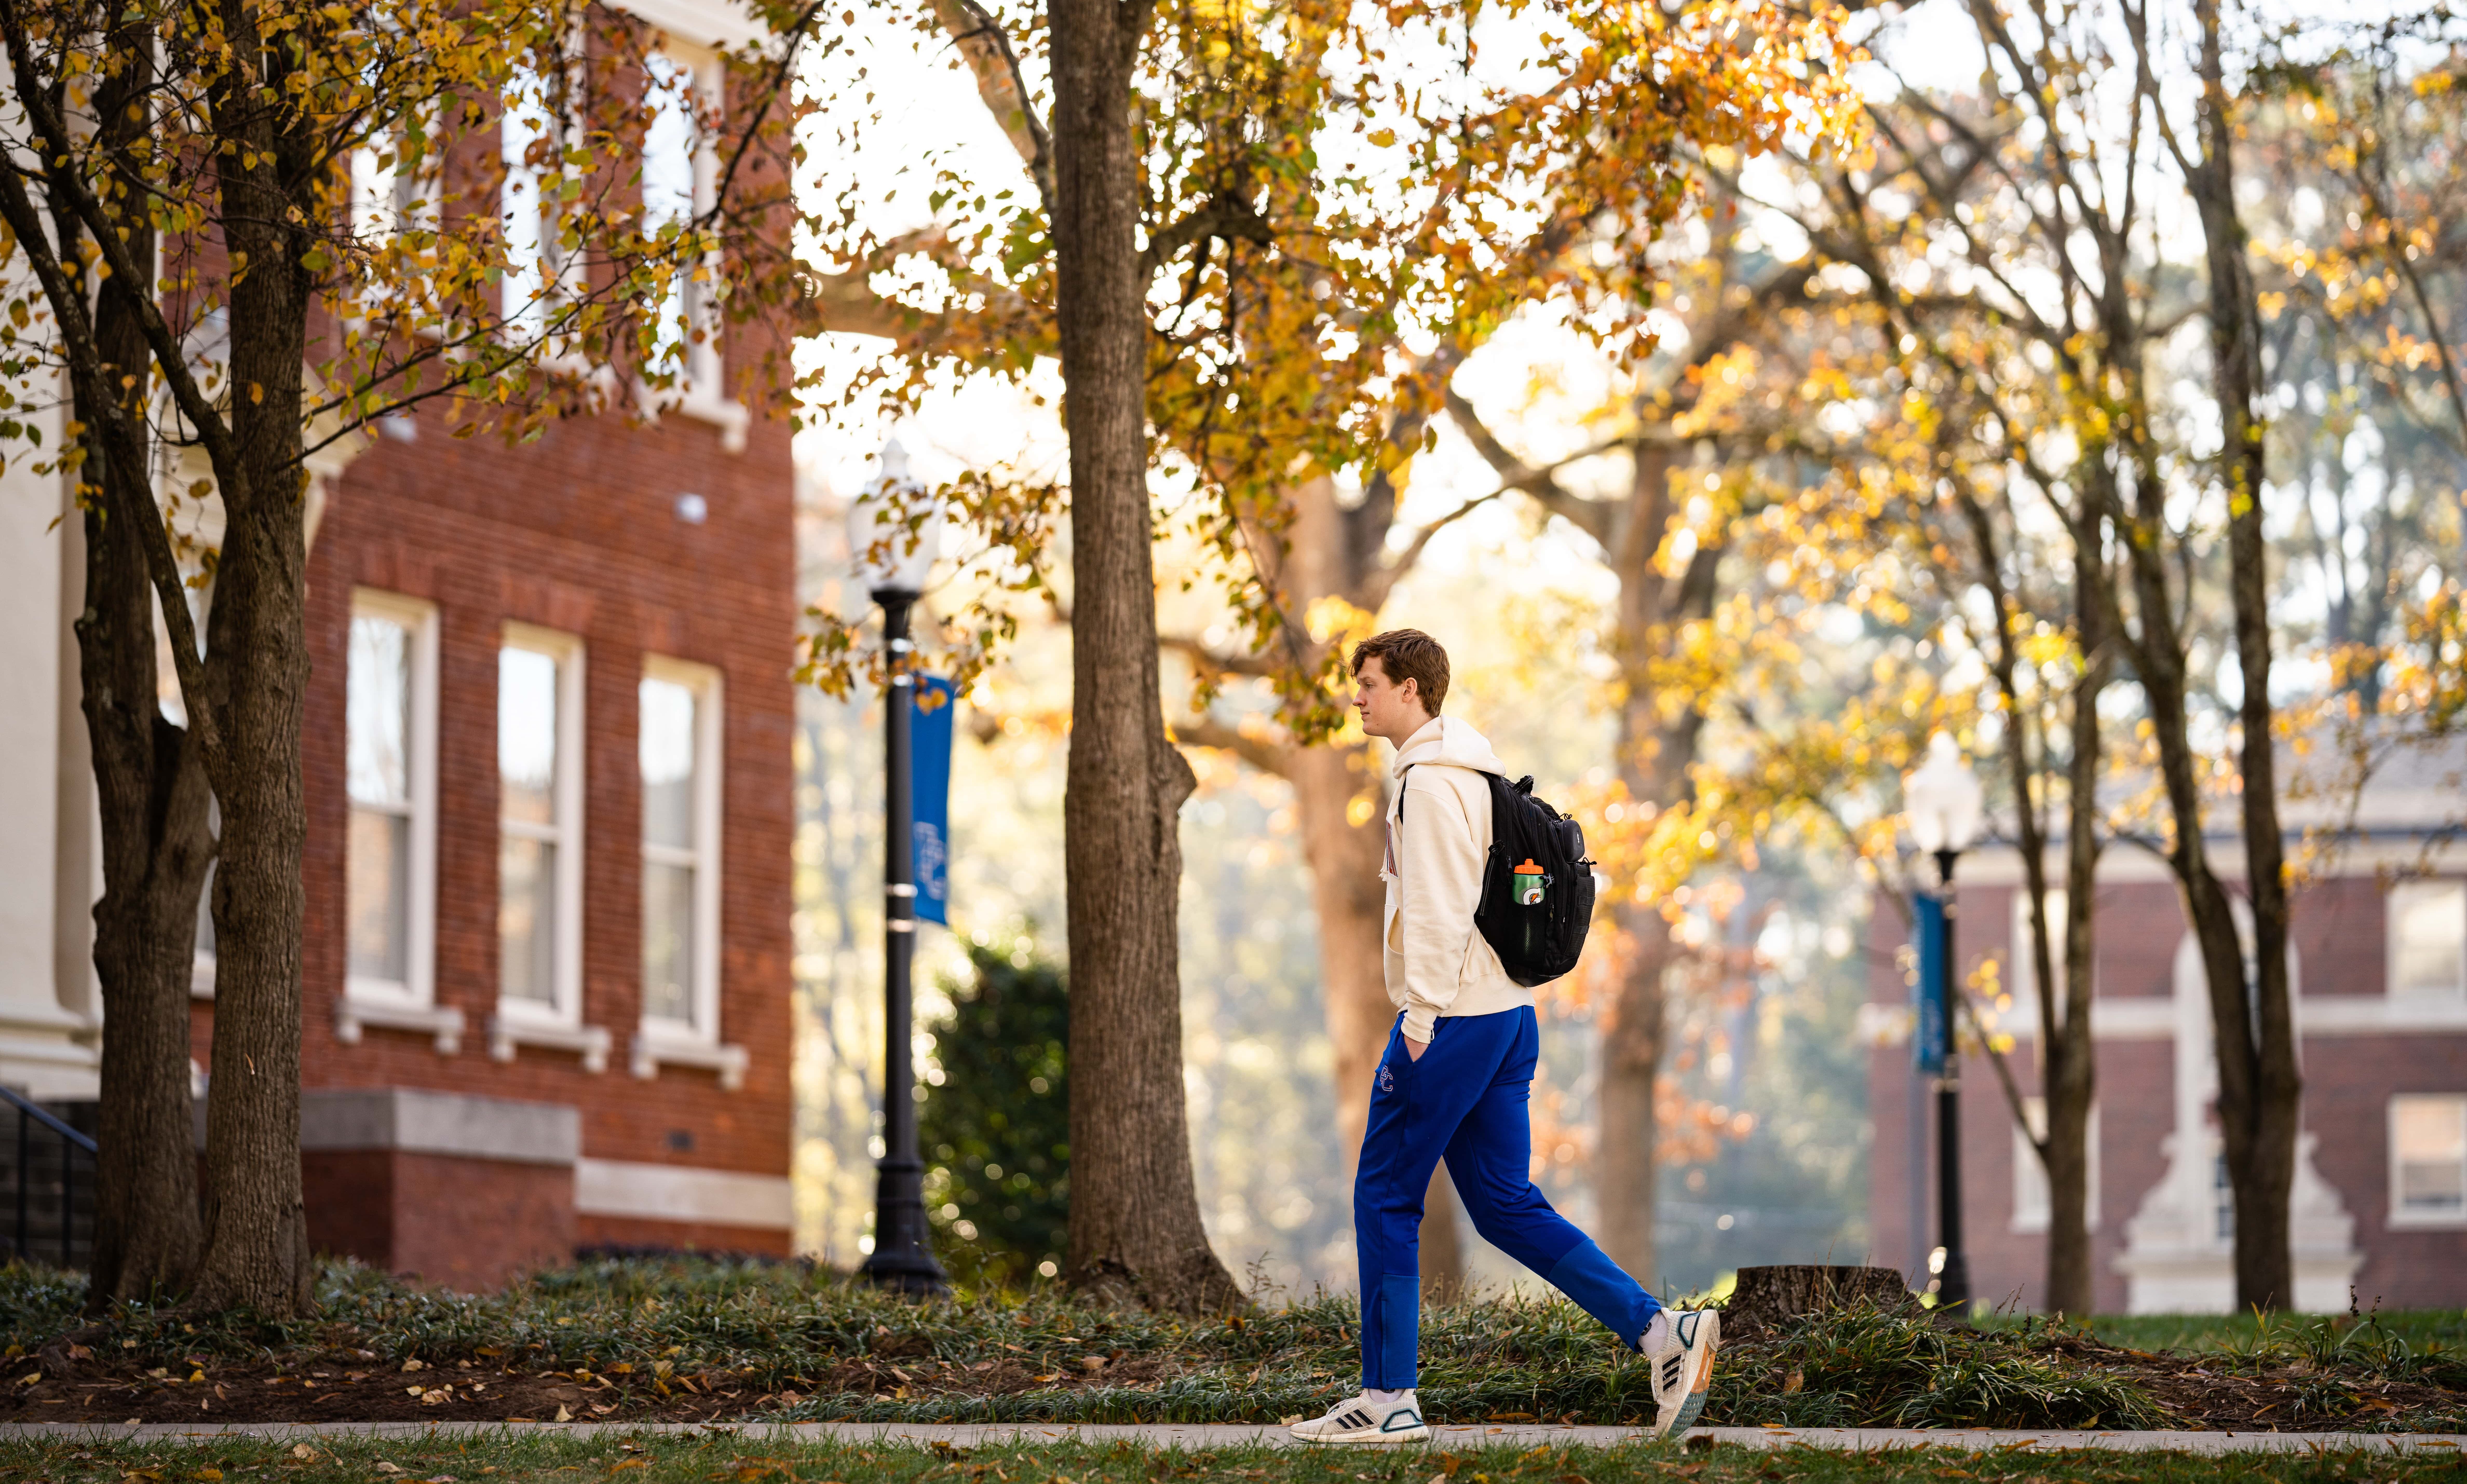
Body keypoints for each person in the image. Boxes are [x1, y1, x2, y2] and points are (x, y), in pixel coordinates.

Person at [1289, 629, 1719, 1447]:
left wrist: (1418, 1022)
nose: (1358, 697)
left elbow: (1443, 910)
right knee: (1504, 1205)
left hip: (1450, 1023)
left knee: (1384, 1194)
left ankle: (1389, 1399)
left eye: (1370, 683)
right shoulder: (1471, 775)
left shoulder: (1433, 784)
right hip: (1504, 1020)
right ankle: (1663, 1335)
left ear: (1411, 689)